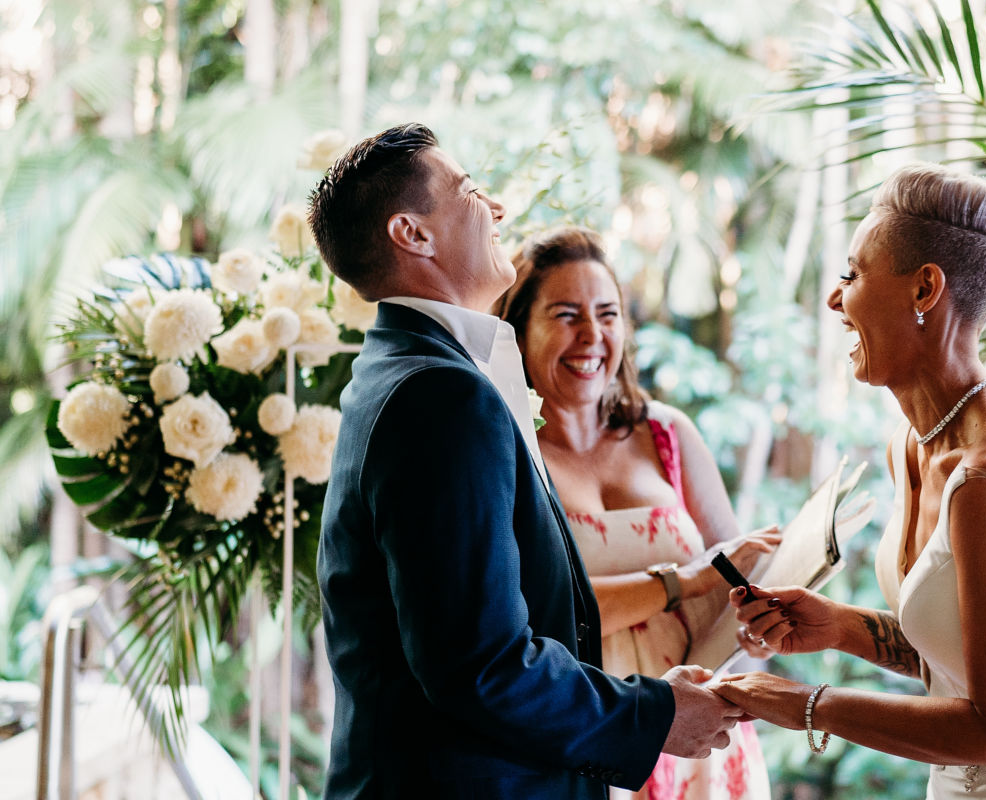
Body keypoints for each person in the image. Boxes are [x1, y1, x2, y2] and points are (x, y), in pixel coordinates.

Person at [309, 123, 742, 800]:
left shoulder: (400, 370)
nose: (498, 209)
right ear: (411, 233)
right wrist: (652, 714)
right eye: (470, 192)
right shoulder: (441, 394)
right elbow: (481, 666)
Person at [709, 164, 986, 799]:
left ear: (925, 289)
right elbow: (972, 665)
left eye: (852, 275)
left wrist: (801, 704)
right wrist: (841, 628)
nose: (835, 301)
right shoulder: (914, 446)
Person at [496, 227, 779, 800]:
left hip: (704, 740)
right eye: (566, 315)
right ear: (518, 330)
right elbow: (536, 614)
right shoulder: (508, 454)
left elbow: (734, 581)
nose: (592, 336)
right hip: (593, 741)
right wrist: (687, 580)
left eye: (607, 313)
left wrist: (760, 620)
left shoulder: (668, 433)